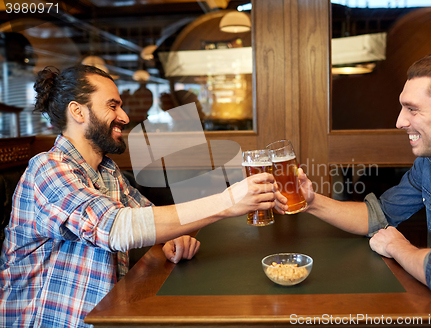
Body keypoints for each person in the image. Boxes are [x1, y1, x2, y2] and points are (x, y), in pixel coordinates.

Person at [0, 65, 285, 328]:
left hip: (110, 315)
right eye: (113, 106)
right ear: (78, 111)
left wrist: (172, 234)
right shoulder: (47, 168)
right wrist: (228, 201)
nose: (124, 117)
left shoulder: (108, 172)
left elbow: (149, 220)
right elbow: (117, 228)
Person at [297, 48, 431, 326]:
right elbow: (377, 216)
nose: (400, 122)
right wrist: (310, 201)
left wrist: (398, 246)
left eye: (412, 109)